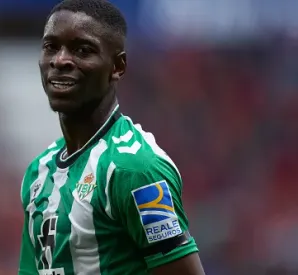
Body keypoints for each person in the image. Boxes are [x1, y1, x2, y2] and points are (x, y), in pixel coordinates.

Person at [18, 0, 205, 274]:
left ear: (117, 66)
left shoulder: (136, 170)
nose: (60, 60)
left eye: (83, 50)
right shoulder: (38, 172)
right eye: (51, 47)